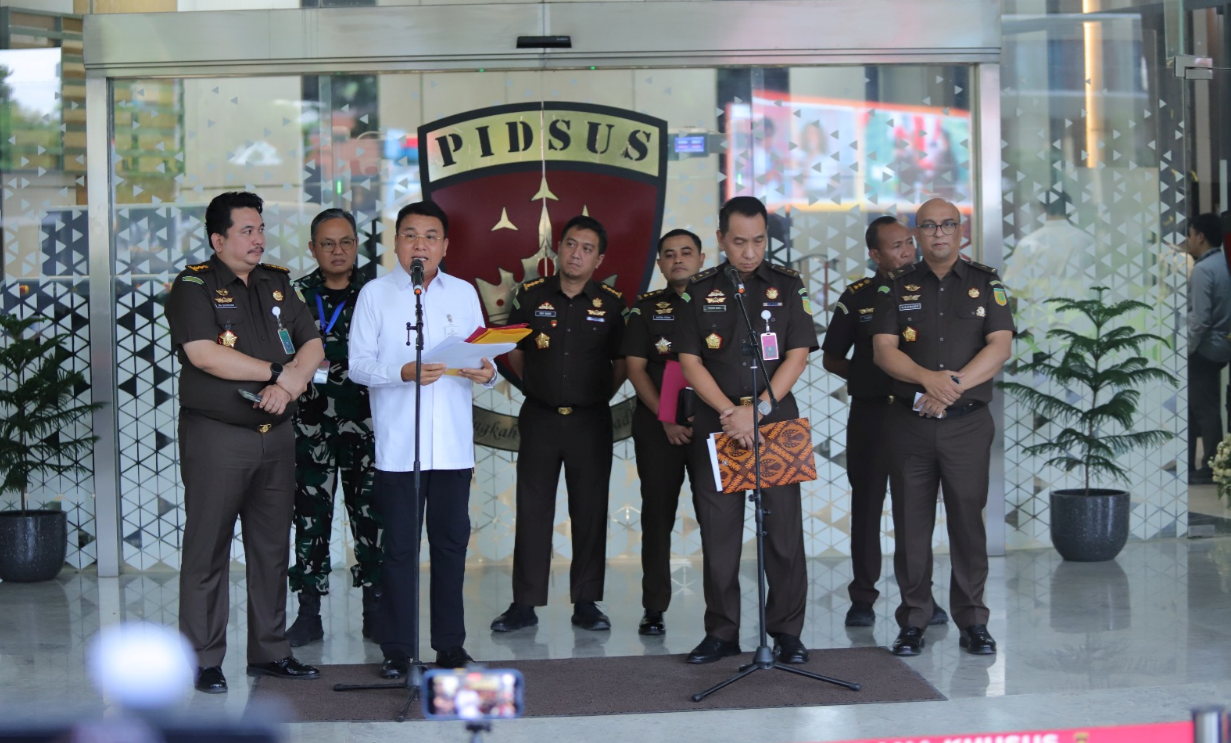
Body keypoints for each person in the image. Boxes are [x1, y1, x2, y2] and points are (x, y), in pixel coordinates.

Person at [164, 191, 324, 693]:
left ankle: (271, 651)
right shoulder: (194, 286)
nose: (259, 239)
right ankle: (203, 658)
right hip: (218, 437)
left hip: (275, 437)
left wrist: (289, 386)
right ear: (219, 239)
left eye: (260, 228)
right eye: (247, 231)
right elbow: (204, 355)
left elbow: (312, 343)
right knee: (207, 550)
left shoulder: (278, 283)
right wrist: (277, 372)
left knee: (271, 549)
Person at [349, 200, 496, 677]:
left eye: (431, 236)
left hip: (452, 446)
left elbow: (480, 356)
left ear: (445, 245)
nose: (420, 245)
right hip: (399, 448)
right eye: (410, 235)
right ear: (396, 243)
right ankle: (397, 649)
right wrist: (402, 372)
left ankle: (449, 646)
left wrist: (487, 373)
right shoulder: (376, 294)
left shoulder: (463, 293)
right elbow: (357, 366)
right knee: (399, 551)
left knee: (451, 546)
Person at [674, 196, 819, 665]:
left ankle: (787, 632)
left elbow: (797, 353)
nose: (750, 252)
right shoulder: (698, 290)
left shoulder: (788, 285)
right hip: (720, 425)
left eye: (759, 241)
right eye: (739, 242)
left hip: (774, 421)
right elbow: (690, 361)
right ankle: (721, 632)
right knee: (719, 532)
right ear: (720, 240)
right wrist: (728, 413)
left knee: (783, 533)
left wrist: (756, 410)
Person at [871, 198, 1014, 657]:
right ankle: (913, 621)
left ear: (961, 229)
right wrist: (927, 380)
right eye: (929, 226)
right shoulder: (896, 287)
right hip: (909, 425)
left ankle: (973, 621)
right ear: (917, 233)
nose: (938, 233)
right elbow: (883, 351)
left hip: (966, 425)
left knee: (967, 525)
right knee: (911, 525)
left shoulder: (985, 283)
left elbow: (1000, 346)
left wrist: (949, 387)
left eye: (947, 225)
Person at [489, 215, 628, 634]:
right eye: (571, 244)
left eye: (587, 248)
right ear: (558, 248)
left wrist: (595, 394)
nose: (577, 253)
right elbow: (515, 353)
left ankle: (586, 603)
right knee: (532, 510)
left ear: (598, 258)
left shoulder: (612, 302)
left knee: (589, 510)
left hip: (590, 420)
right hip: (541, 418)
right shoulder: (530, 295)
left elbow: (621, 364)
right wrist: (538, 386)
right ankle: (524, 604)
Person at [822, 216, 947, 629]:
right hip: (873, 413)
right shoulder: (858, 296)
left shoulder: (932, 288)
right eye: (896, 246)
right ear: (875, 254)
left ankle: (921, 597)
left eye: (909, 242)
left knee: (916, 510)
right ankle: (862, 596)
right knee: (868, 505)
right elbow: (832, 357)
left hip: (919, 412)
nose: (908, 251)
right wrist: (870, 378)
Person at [285, 208, 384, 647]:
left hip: (367, 425)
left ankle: (376, 611)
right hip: (309, 428)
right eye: (327, 243)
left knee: (372, 518)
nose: (338, 251)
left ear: (357, 245)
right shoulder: (293, 296)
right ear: (313, 249)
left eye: (346, 242)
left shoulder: (377, 294)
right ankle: (308, 612)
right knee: (310, 519)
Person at [622, 228, 707, 636]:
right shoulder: (646, 309)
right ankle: (654, 606)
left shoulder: (721, 304)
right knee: (657, 516)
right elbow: (637, 369)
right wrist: (667, 418)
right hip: (659, 428)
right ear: (659, 263)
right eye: (669, 254)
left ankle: (721, 607)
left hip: (713, 425)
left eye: (686, 252)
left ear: (702, 258)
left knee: (717, 517)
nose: (678, 260)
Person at [1185, 213, 1231, 484]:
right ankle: (1197, 464)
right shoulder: (1223, 264)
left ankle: (1210, 466)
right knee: (1202, 406)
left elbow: (1200, 319)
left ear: (1200, 236)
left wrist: (1186, 349)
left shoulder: (1203, 269)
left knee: (1203, 409)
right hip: (1220, 346)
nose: (1188, 241)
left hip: (1204, 349)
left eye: (1189, 235)